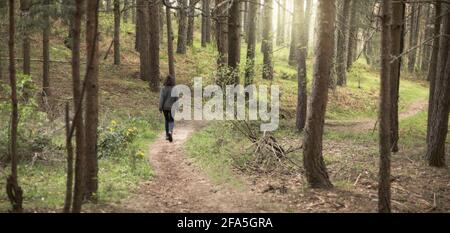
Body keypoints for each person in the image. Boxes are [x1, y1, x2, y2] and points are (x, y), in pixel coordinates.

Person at [159, 75, 178, 142]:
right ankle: (170, 132)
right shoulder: (175, 89)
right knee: (172, 120)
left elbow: (161, 98)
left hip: (165, 107)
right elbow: (176, 99)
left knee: (167, 120)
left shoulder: (163, 88)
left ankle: (167, 135)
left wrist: (160, 107)